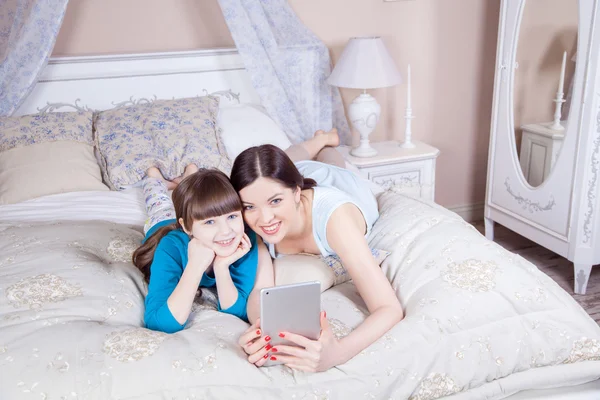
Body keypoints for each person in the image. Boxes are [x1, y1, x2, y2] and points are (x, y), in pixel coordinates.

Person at [230, 129, 404, 372]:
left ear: (296, 193)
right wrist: (262, 330)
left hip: (339, 183)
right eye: (249, 206)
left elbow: (389, 308)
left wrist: (338, 353)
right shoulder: (252, 219)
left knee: (331, 161)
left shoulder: (336, 219)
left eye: (275, 202)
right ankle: (317, 140)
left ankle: (325, 141)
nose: (264, 218)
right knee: (293, 160)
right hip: (297, 175)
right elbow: (261, 289)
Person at [132, 165, 274, 333]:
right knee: (159, 202)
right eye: (209, 222)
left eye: (232, 216)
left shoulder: (245, 241)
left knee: (195, 193)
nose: (226, 231)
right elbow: (160, 324)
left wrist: (221, 267)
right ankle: (154, 178)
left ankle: (191, 175)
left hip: (193, 213)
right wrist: (195, 266)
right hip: (162, 222)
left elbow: (238, 312)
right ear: (186, 227)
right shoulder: (171, 247)